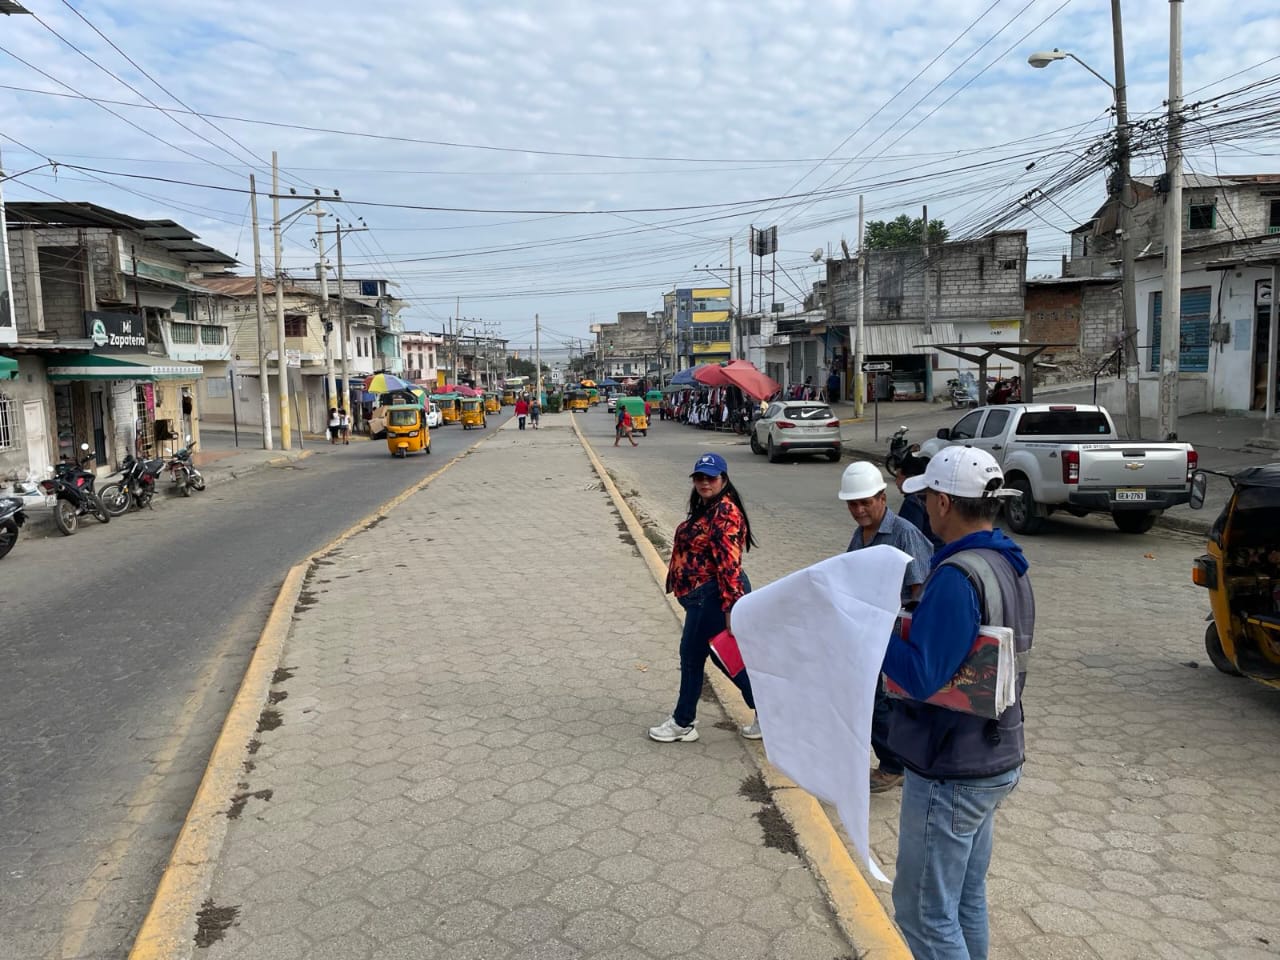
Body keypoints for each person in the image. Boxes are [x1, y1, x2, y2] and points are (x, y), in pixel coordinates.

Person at [884, 447, 1034, 960]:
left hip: (952, 768)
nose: (923, 505)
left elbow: (922, 676)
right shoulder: (1007, 561)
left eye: (927, 496)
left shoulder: (956, 576)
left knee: (923, 913)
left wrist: (873, 629)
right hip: (994, 754)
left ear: (944, 502)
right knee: (964, 899)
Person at [650, 453, 760, 743]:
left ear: (723, 479)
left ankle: (683, 722)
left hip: (713, 595)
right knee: (718, 657)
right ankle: (768, 710)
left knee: (699, 656)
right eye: (699, 477)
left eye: (711, 477)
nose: (704, 482)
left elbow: (729, 563)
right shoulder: (709, 507)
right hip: (706, 596)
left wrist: (731, 607)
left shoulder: (725, 512)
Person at [837, 461, 933, 794]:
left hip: (893, 637)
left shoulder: (904, 533)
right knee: (866, 698)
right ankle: (892, 760)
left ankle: (894, 765)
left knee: (879, 702)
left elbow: (920, 591)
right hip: (866, 633)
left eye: (865, 502)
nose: (859, 510)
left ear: (882, 497)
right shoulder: (860, 535)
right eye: (853, 504)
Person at [894, 452, 944, 550]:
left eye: (898, 477)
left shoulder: (913, 502)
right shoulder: (934, 495)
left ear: (910, 478)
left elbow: (908, 538)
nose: (896, 482)